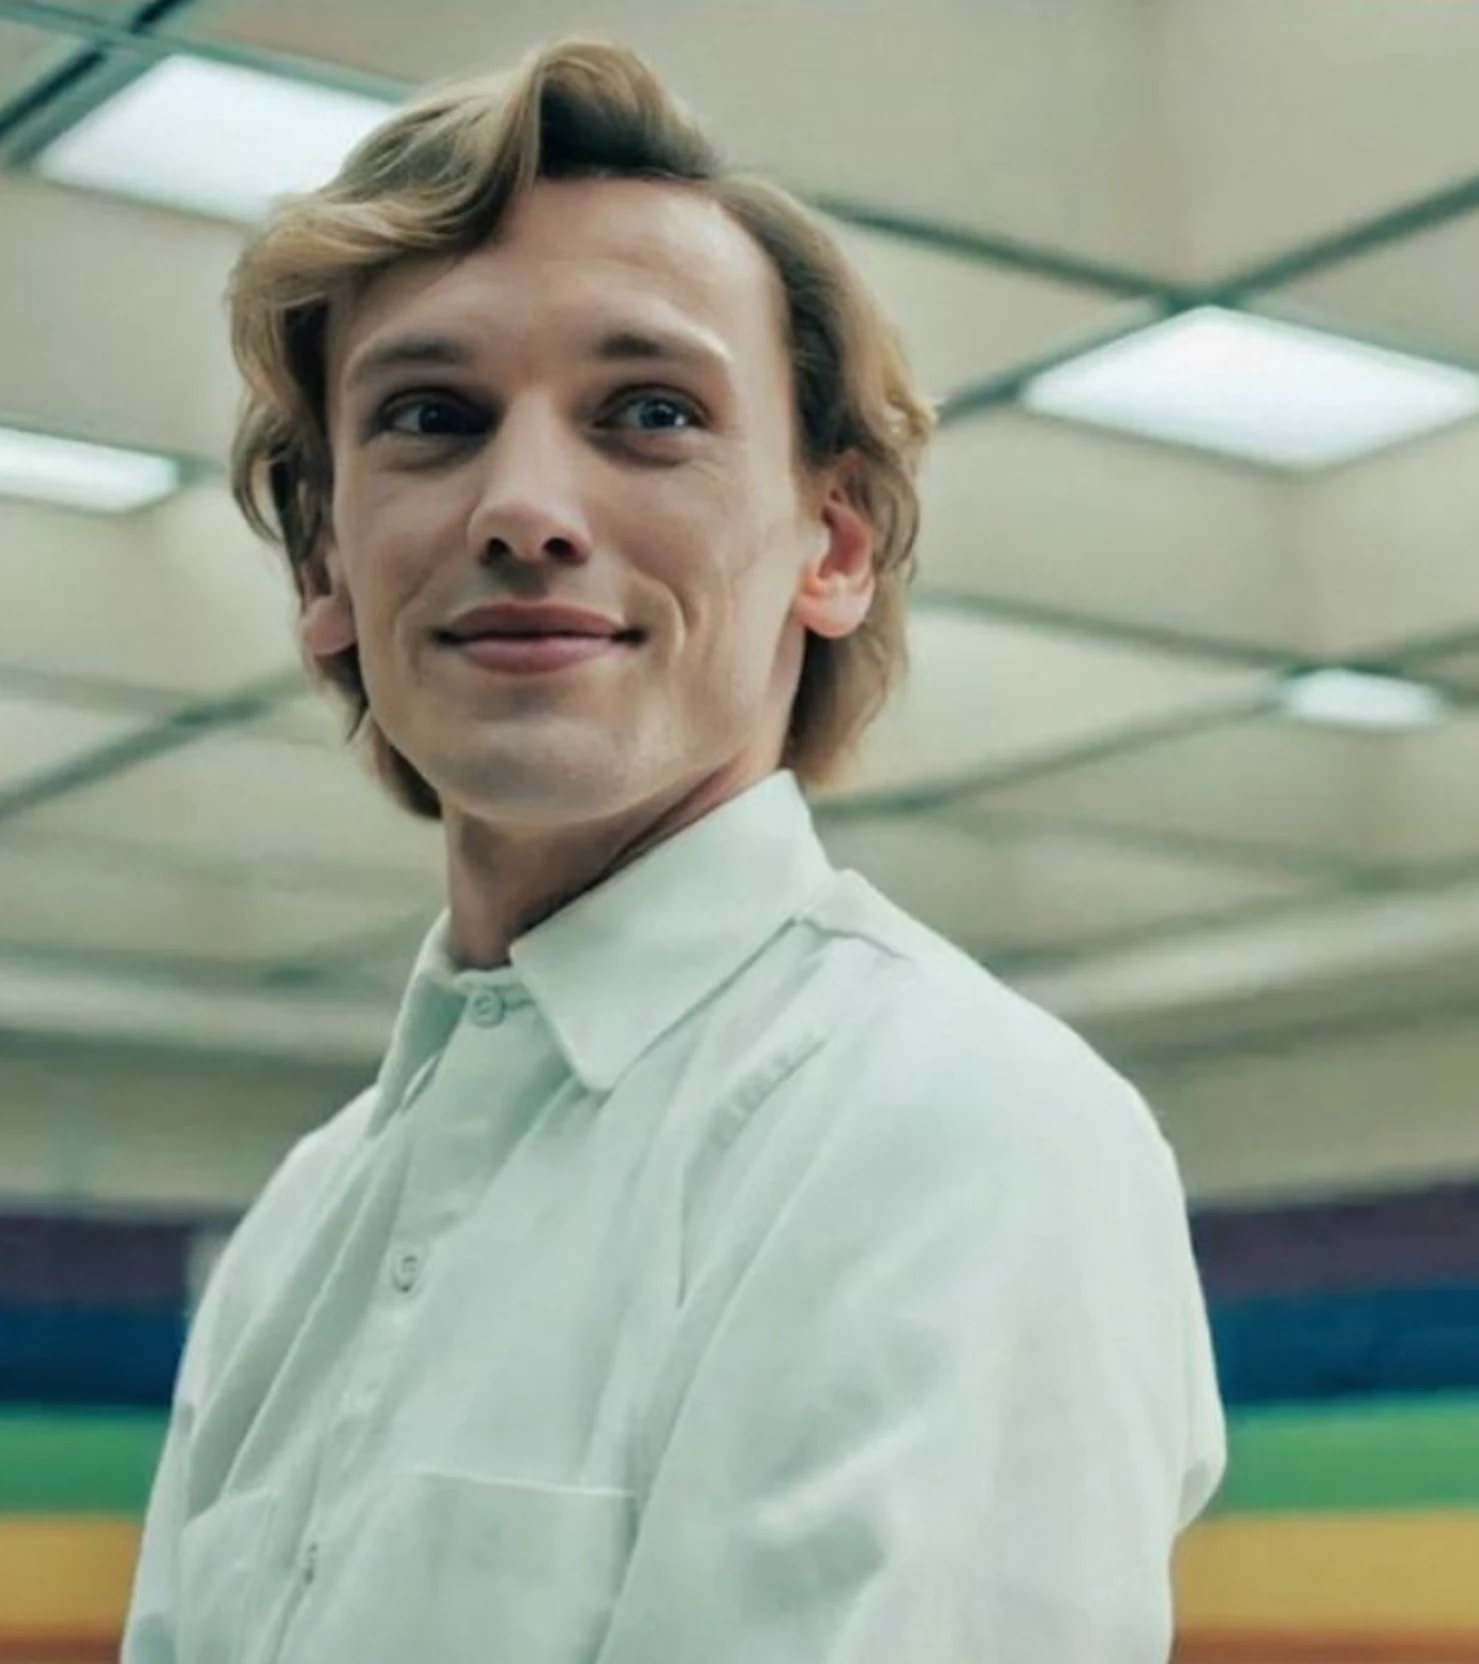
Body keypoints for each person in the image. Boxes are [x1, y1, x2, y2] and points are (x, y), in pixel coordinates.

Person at [122, 36, 1224, 1664]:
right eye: (430, 417)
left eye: (649, 412)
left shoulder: (954, 1129)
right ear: (323, 566)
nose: (523, 509)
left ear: (831, 546)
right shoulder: (305, 1218)